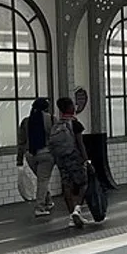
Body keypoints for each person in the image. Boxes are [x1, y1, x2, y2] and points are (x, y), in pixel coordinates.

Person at [50, 97, 93, 228]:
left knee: (67, 186)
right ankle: (77, 210)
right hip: (74, 158)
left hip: (61, 159)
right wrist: (87, 160)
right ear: (70, 108)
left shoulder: (56, 125)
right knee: (84, 183)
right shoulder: (75, 124)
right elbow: (80, 144)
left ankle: (71, 217)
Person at [16, 97, 56, 217]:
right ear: (46, 108)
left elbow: (21, 142)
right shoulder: (52, 120)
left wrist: (19, 159)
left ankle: (48, 201)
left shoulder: (26, 122)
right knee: (43, 180)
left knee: (41, 179)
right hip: (46, 153)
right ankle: (40, 207)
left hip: (30, 155)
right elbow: (55, 138)